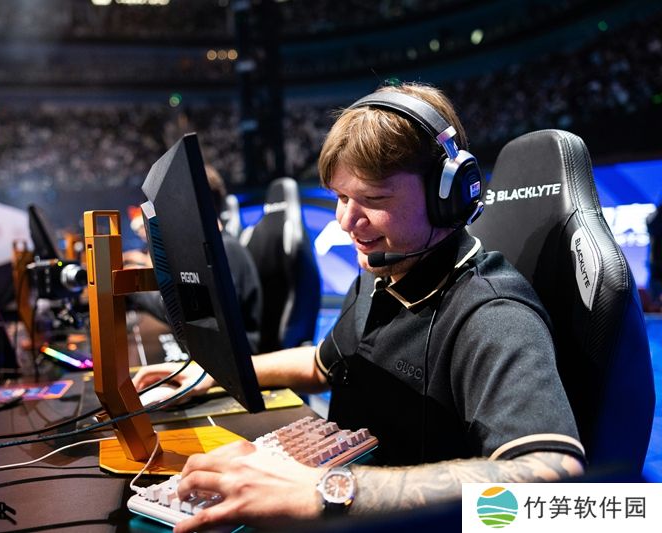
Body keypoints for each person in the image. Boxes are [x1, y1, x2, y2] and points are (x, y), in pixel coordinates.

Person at [133, 82, 584, 532]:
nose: (346, 221)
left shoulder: (493, 315)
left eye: (373, 199)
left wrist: (329, 491)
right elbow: (320, 363)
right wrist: (211, 374)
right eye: (341, 197)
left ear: (446, 198)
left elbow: (553, 481)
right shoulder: (381, 275)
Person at [125, 164, 263, 353]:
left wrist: (135, 287)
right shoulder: (211, 249)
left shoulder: (225, 251)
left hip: (238, 358)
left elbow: (189, 312)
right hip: (216, 355)